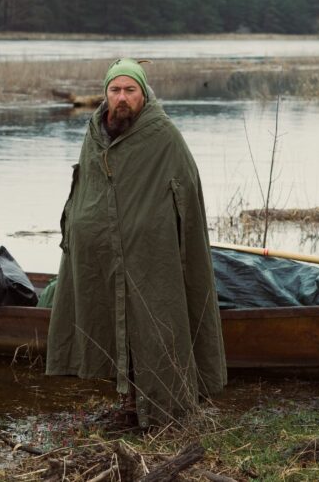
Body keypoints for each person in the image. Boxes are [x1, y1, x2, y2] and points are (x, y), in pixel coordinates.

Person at [46, 58, 226, 428]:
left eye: (130, 90)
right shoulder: (95, 132)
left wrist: (162, 231)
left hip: (152, 254)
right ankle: (129, 402)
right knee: (114, 323)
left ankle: (163, 409)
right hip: (103, 253)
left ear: (143, 94)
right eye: (115, 90)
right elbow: (87, 188)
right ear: (106, 94)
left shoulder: (163, 135)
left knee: (156, 323)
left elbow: (187, 192)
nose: (122, 98)